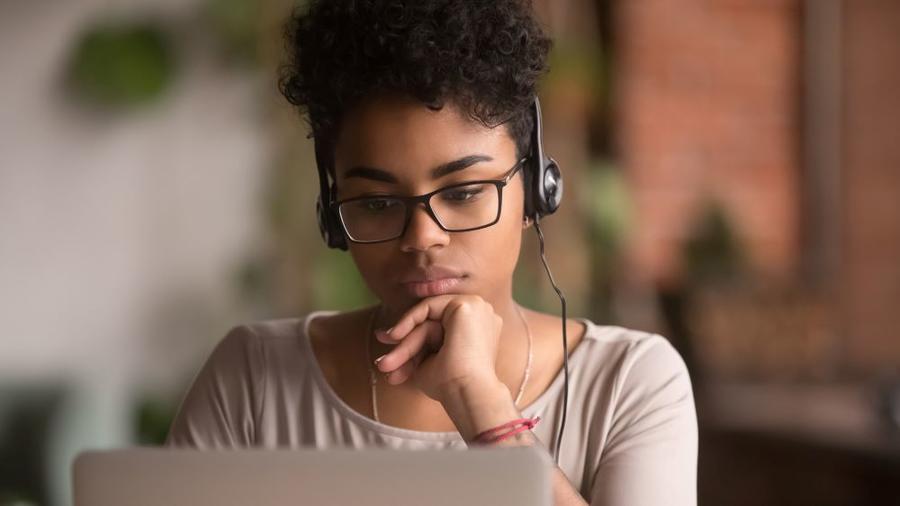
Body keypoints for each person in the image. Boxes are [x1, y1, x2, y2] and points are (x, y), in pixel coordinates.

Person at [164, 1, 698, 504]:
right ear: (334, 215)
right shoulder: (253, 380)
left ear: (535, 190)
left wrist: (478, 400)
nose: (422, 238)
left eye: (464, 193)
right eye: (376, 201)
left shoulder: (629, 382)